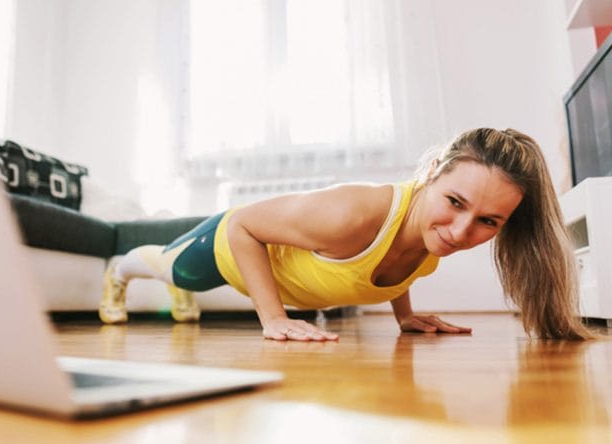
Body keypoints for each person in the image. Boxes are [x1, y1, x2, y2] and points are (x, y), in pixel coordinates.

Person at [99, 128, 595, 341]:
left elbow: (396, 264)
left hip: (255, 254)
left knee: (179, 287)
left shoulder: (429, 234)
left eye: (489, 222)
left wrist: (406, 315)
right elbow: (245, 224)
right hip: (226, 247)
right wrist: (273, 320)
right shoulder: (352, 213)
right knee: (174, 272)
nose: (462, 231)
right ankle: (119, 267)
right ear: (430, 175)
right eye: (455, 203)